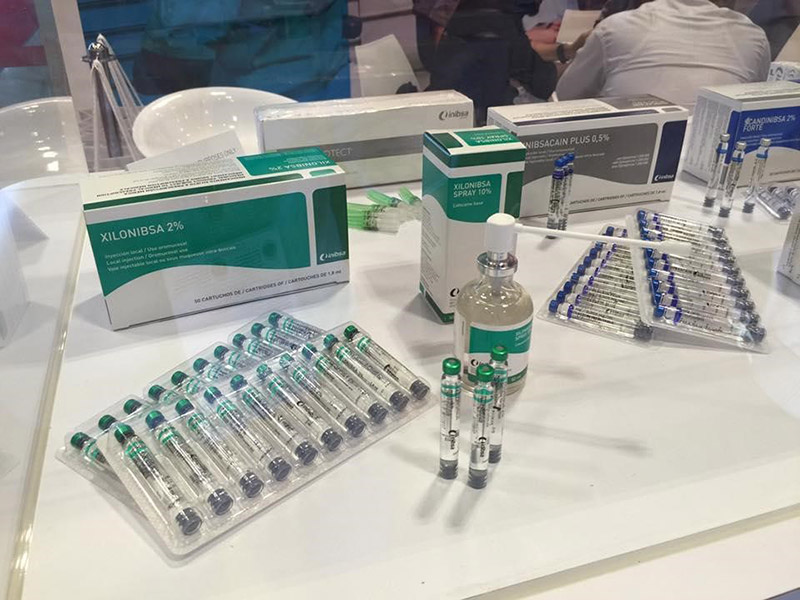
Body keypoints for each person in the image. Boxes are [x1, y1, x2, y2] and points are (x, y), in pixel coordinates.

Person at [555, 0, 771, 109]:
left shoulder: (614, 28)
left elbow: (566, 96)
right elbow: (753, 106)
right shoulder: (753, 36)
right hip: (714, 165)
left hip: (625, 161)